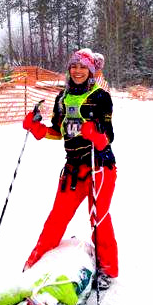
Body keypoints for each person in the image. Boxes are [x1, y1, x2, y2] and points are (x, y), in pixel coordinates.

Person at [22, 48, 118, 290]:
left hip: (100, 167)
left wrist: (95, 135)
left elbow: (109, 136)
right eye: (74, 66)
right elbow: (58, 130)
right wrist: (39, 130)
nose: (77, 71)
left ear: (91, 71)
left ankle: (108, 270)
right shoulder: (62, 98)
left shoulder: (101, 97)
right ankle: (36, 262)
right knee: (57, 218)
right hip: (73, 170)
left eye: (82, 67)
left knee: (99, 218)